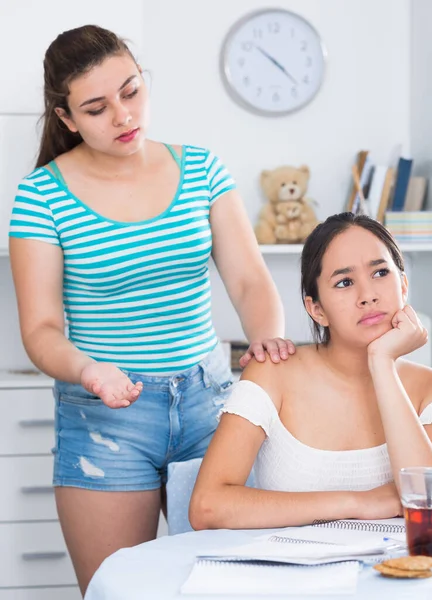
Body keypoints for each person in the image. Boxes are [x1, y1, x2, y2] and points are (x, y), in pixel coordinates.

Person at [8, 24, 295, 595]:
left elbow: (248, 278)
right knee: (121, 591)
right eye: (96, 107)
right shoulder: (40, 197)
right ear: (67, 120)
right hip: (105, 416)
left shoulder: (201, 169)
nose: (122, 116)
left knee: (226, 588)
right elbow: (39, 330)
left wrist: (266, 339)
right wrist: (89, 371)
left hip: (209, 406)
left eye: (131, 91)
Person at [189, 212, 432, 531]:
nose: (368, 295)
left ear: (403, 285)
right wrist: (358, 503)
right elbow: (207, 507)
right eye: (345, 282)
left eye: (380, 272)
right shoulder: (273, 373)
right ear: (316, 309)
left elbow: (431, 506)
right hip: (288, 574)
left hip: (398, 572)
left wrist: (382, 363)